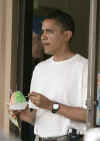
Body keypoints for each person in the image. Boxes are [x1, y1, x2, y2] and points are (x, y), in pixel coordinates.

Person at [11, 9, 88, 141]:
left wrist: (50, 105)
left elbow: (89, 115)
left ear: (67, 35)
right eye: (42, 31)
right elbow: (35, 116)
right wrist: (22, 114)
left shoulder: (85, 67)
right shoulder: (40, 69)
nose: (43, 36)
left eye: (49, 31)